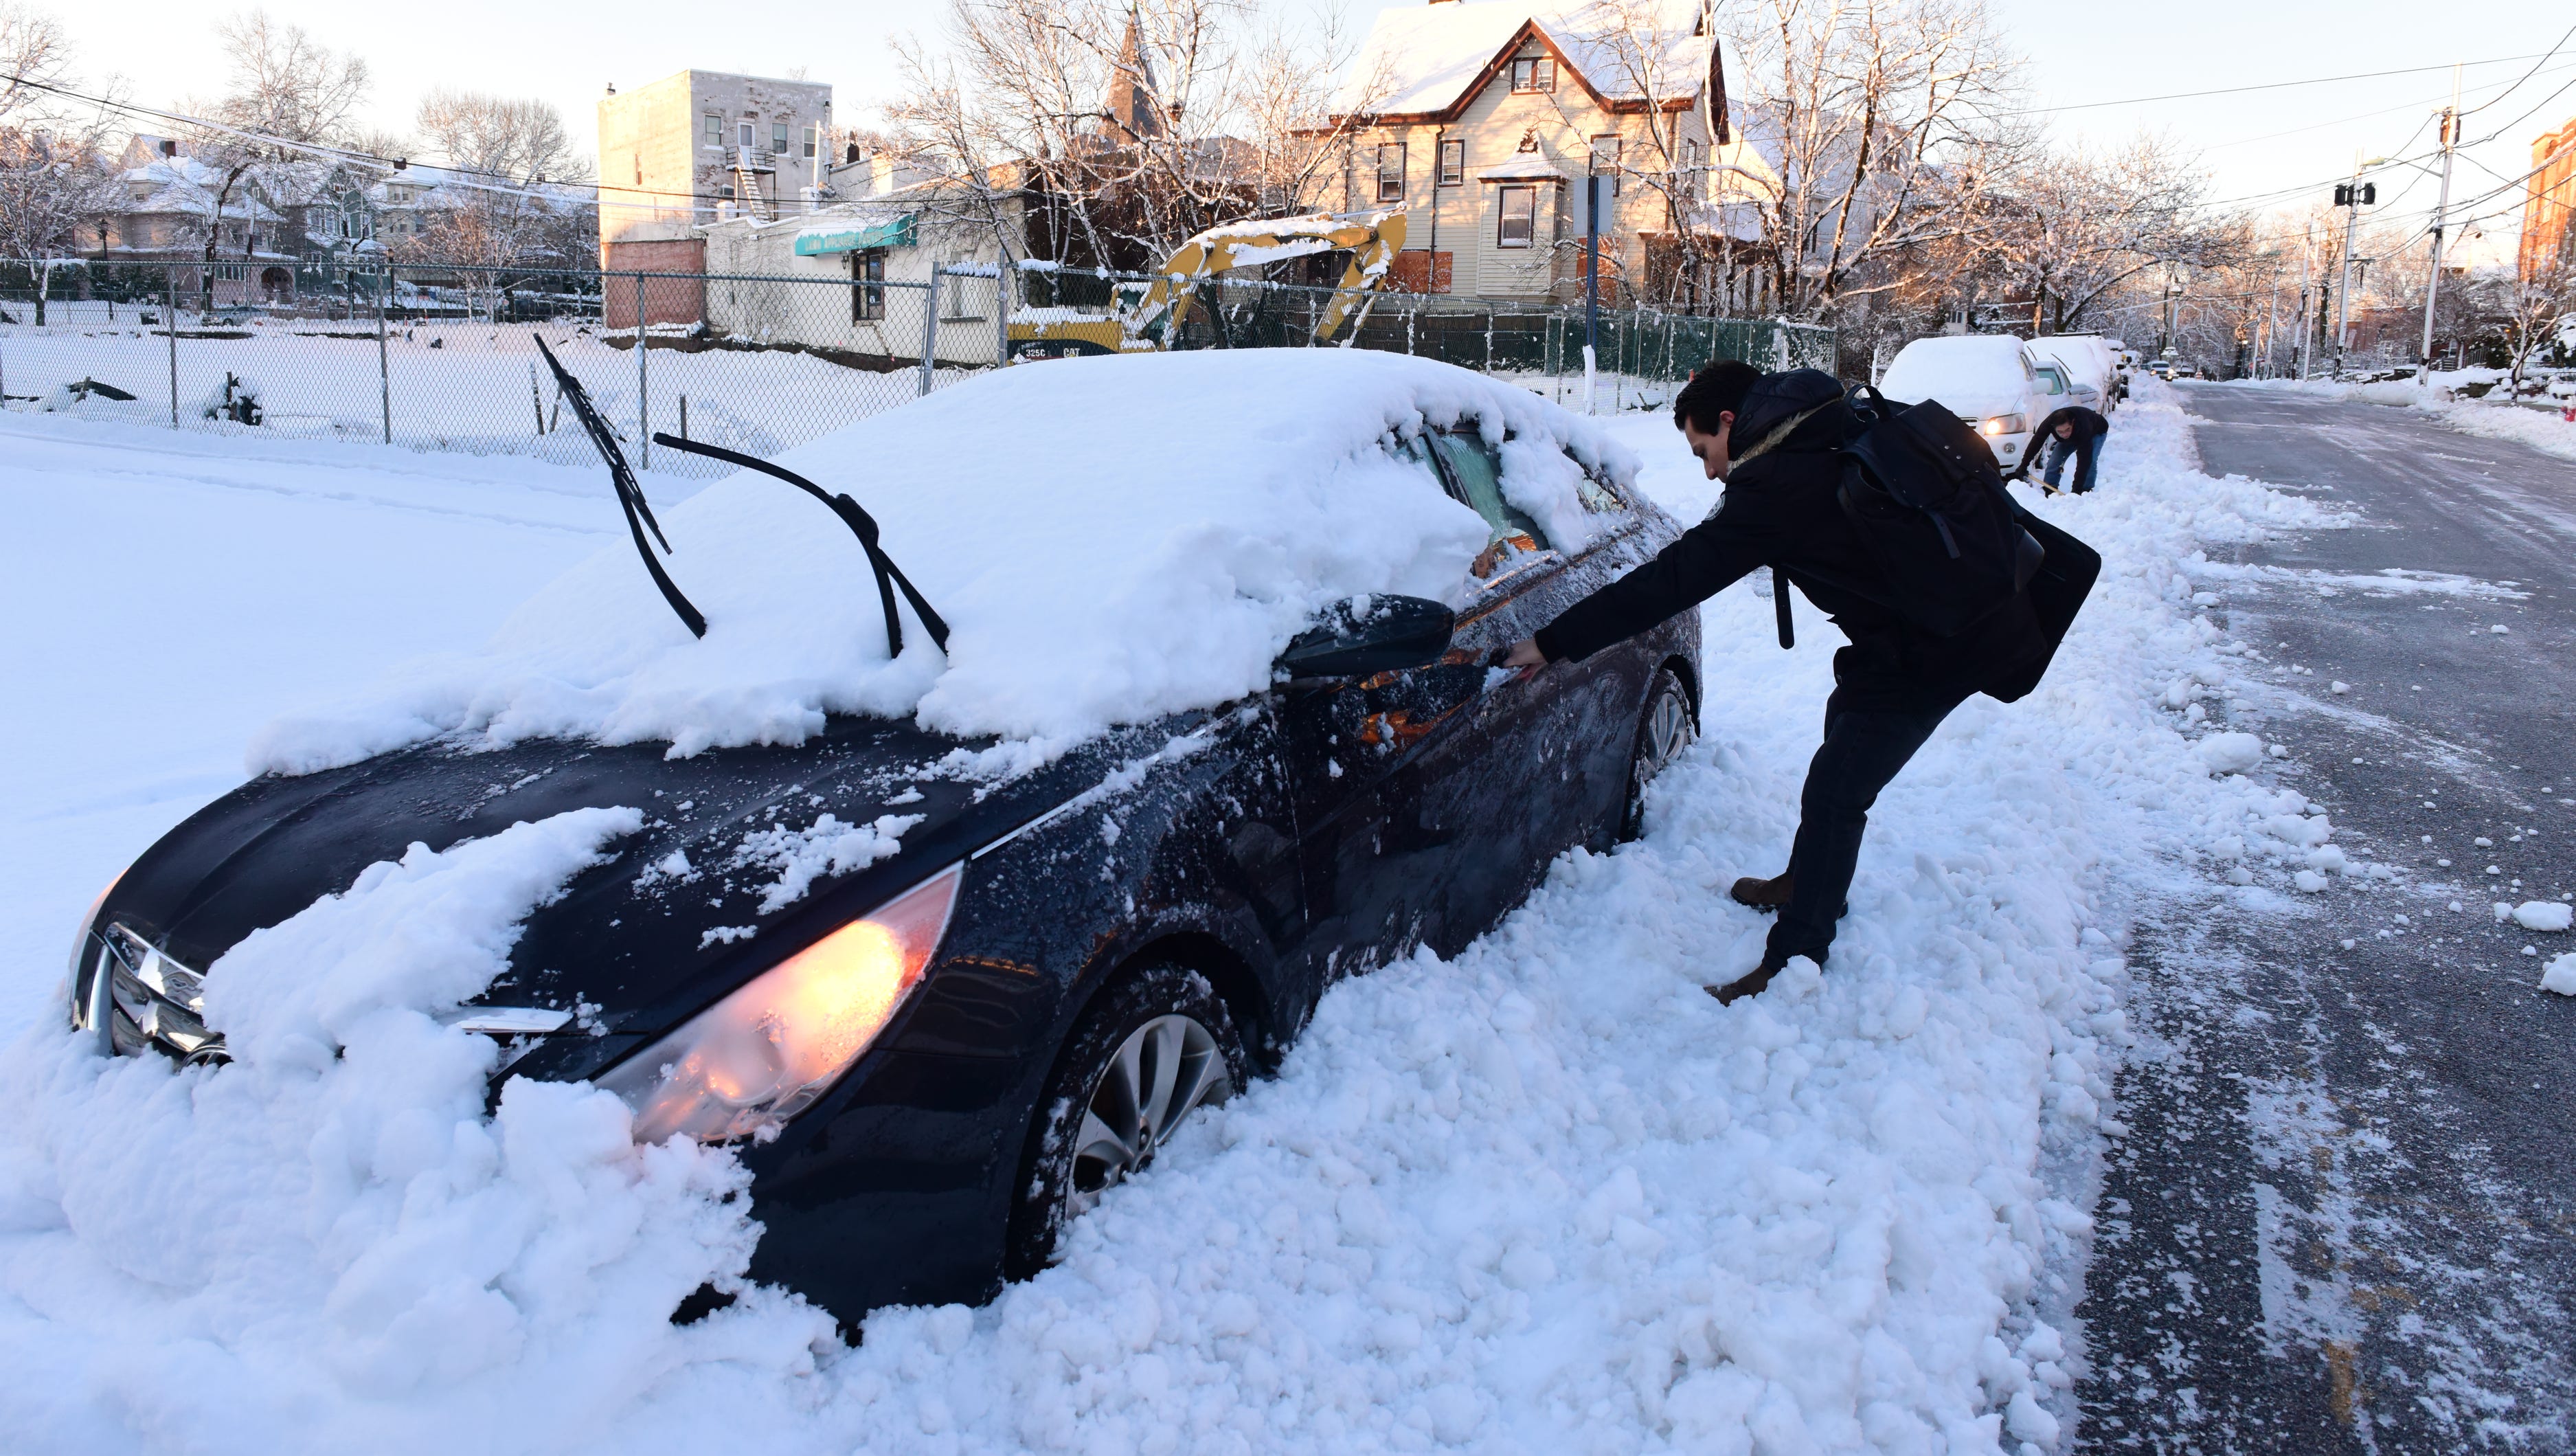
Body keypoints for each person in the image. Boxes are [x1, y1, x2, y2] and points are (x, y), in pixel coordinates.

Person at [1500, 361, 2048, 1005]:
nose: (1710, 472)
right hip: (1907, 632)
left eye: (1703, 450)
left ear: (1730, 420)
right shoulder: (1829, 417)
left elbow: (1671, 581)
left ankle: (1796, 957)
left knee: (1838, 791)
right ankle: (1808, 881)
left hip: (1943, 646)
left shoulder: (1780, 481)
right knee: (1843, 731)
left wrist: (1553, 641)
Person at [2015, 405, 2108, 495]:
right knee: (2054, 461)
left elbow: (2084, 461)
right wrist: (2024, 465)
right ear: (2053, 427)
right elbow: (2036, 443)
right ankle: (2050, 491)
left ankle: (2086, 491)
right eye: (2060, 432)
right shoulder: (2048, 423)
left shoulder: (2084, 426)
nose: (2064, 434)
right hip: (2074, 436)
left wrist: (2076, 490)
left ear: (2073, 423)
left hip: (2096, 433)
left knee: (2090, 461)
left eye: (2067, 429)